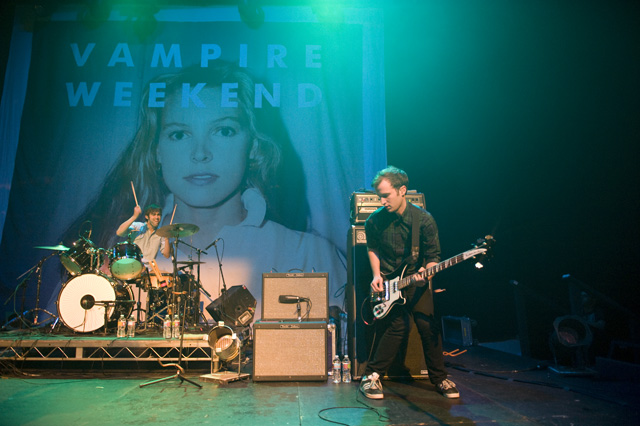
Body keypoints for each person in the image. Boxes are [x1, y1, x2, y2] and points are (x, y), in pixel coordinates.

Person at [52, 63, 346, 321]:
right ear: (156, 150)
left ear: (253, 145)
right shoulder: (115, 256)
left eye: (224, 131)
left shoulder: (310, 254)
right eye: (179, 134)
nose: (201, 153)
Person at [359, 166, 459, 400]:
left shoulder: (423, 219)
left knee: (426, 325)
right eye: (379, 196)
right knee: (397, 326)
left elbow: (434, 255)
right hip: (389, 283)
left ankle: (440, 378)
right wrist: (376, 275)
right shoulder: (374, 221)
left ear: (402, 190)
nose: (382, 201)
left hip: (416, 280)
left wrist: (427, 272)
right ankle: (371, 376)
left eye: (386, 195)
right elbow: (372, 248)